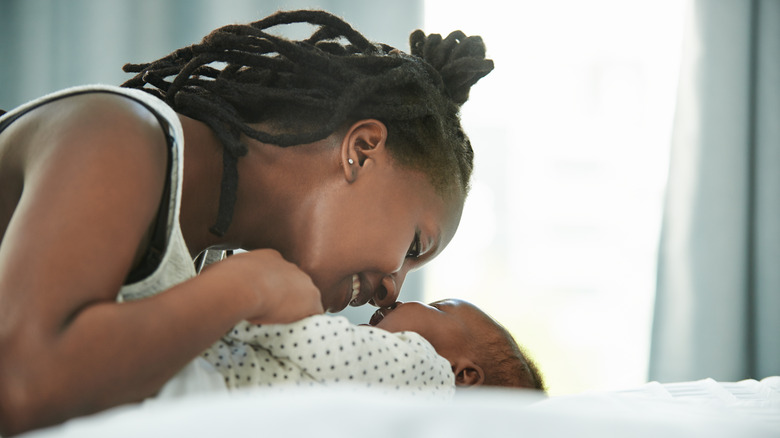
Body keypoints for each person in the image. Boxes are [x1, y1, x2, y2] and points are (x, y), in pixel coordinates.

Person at [0, 9, 493, 435]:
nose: (392, 290)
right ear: (362, 150)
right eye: (413, 246)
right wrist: (247, 287)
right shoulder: (116, 135)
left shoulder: (198, 262)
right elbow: (22, 388)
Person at [160, 298, 545, 399]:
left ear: (463, 374)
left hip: (204, 378)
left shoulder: (427, 371)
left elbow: (310, 340)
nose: (396, 298)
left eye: (438, 306)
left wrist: (247, 303)